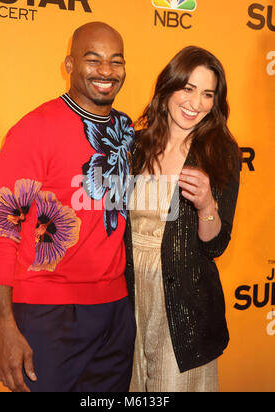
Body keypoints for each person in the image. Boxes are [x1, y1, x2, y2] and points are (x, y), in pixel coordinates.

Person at [0, 22, 136, 393]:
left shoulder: (126, 130)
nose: (106, 71)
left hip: (115, 313)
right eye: (93, 59)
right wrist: (3, 325)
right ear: (69, 64)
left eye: (116, 61)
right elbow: (0, 230)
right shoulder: (35, 129)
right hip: (48, 316)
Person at [125, 46, 240, 392]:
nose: (196, 103)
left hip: (185, 305)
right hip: (127, 300)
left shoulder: (220, 152)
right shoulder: (136, 145)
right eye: (188, 88)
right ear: (169, 88)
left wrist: (206, 204)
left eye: (208, 94)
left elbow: (216, 244)